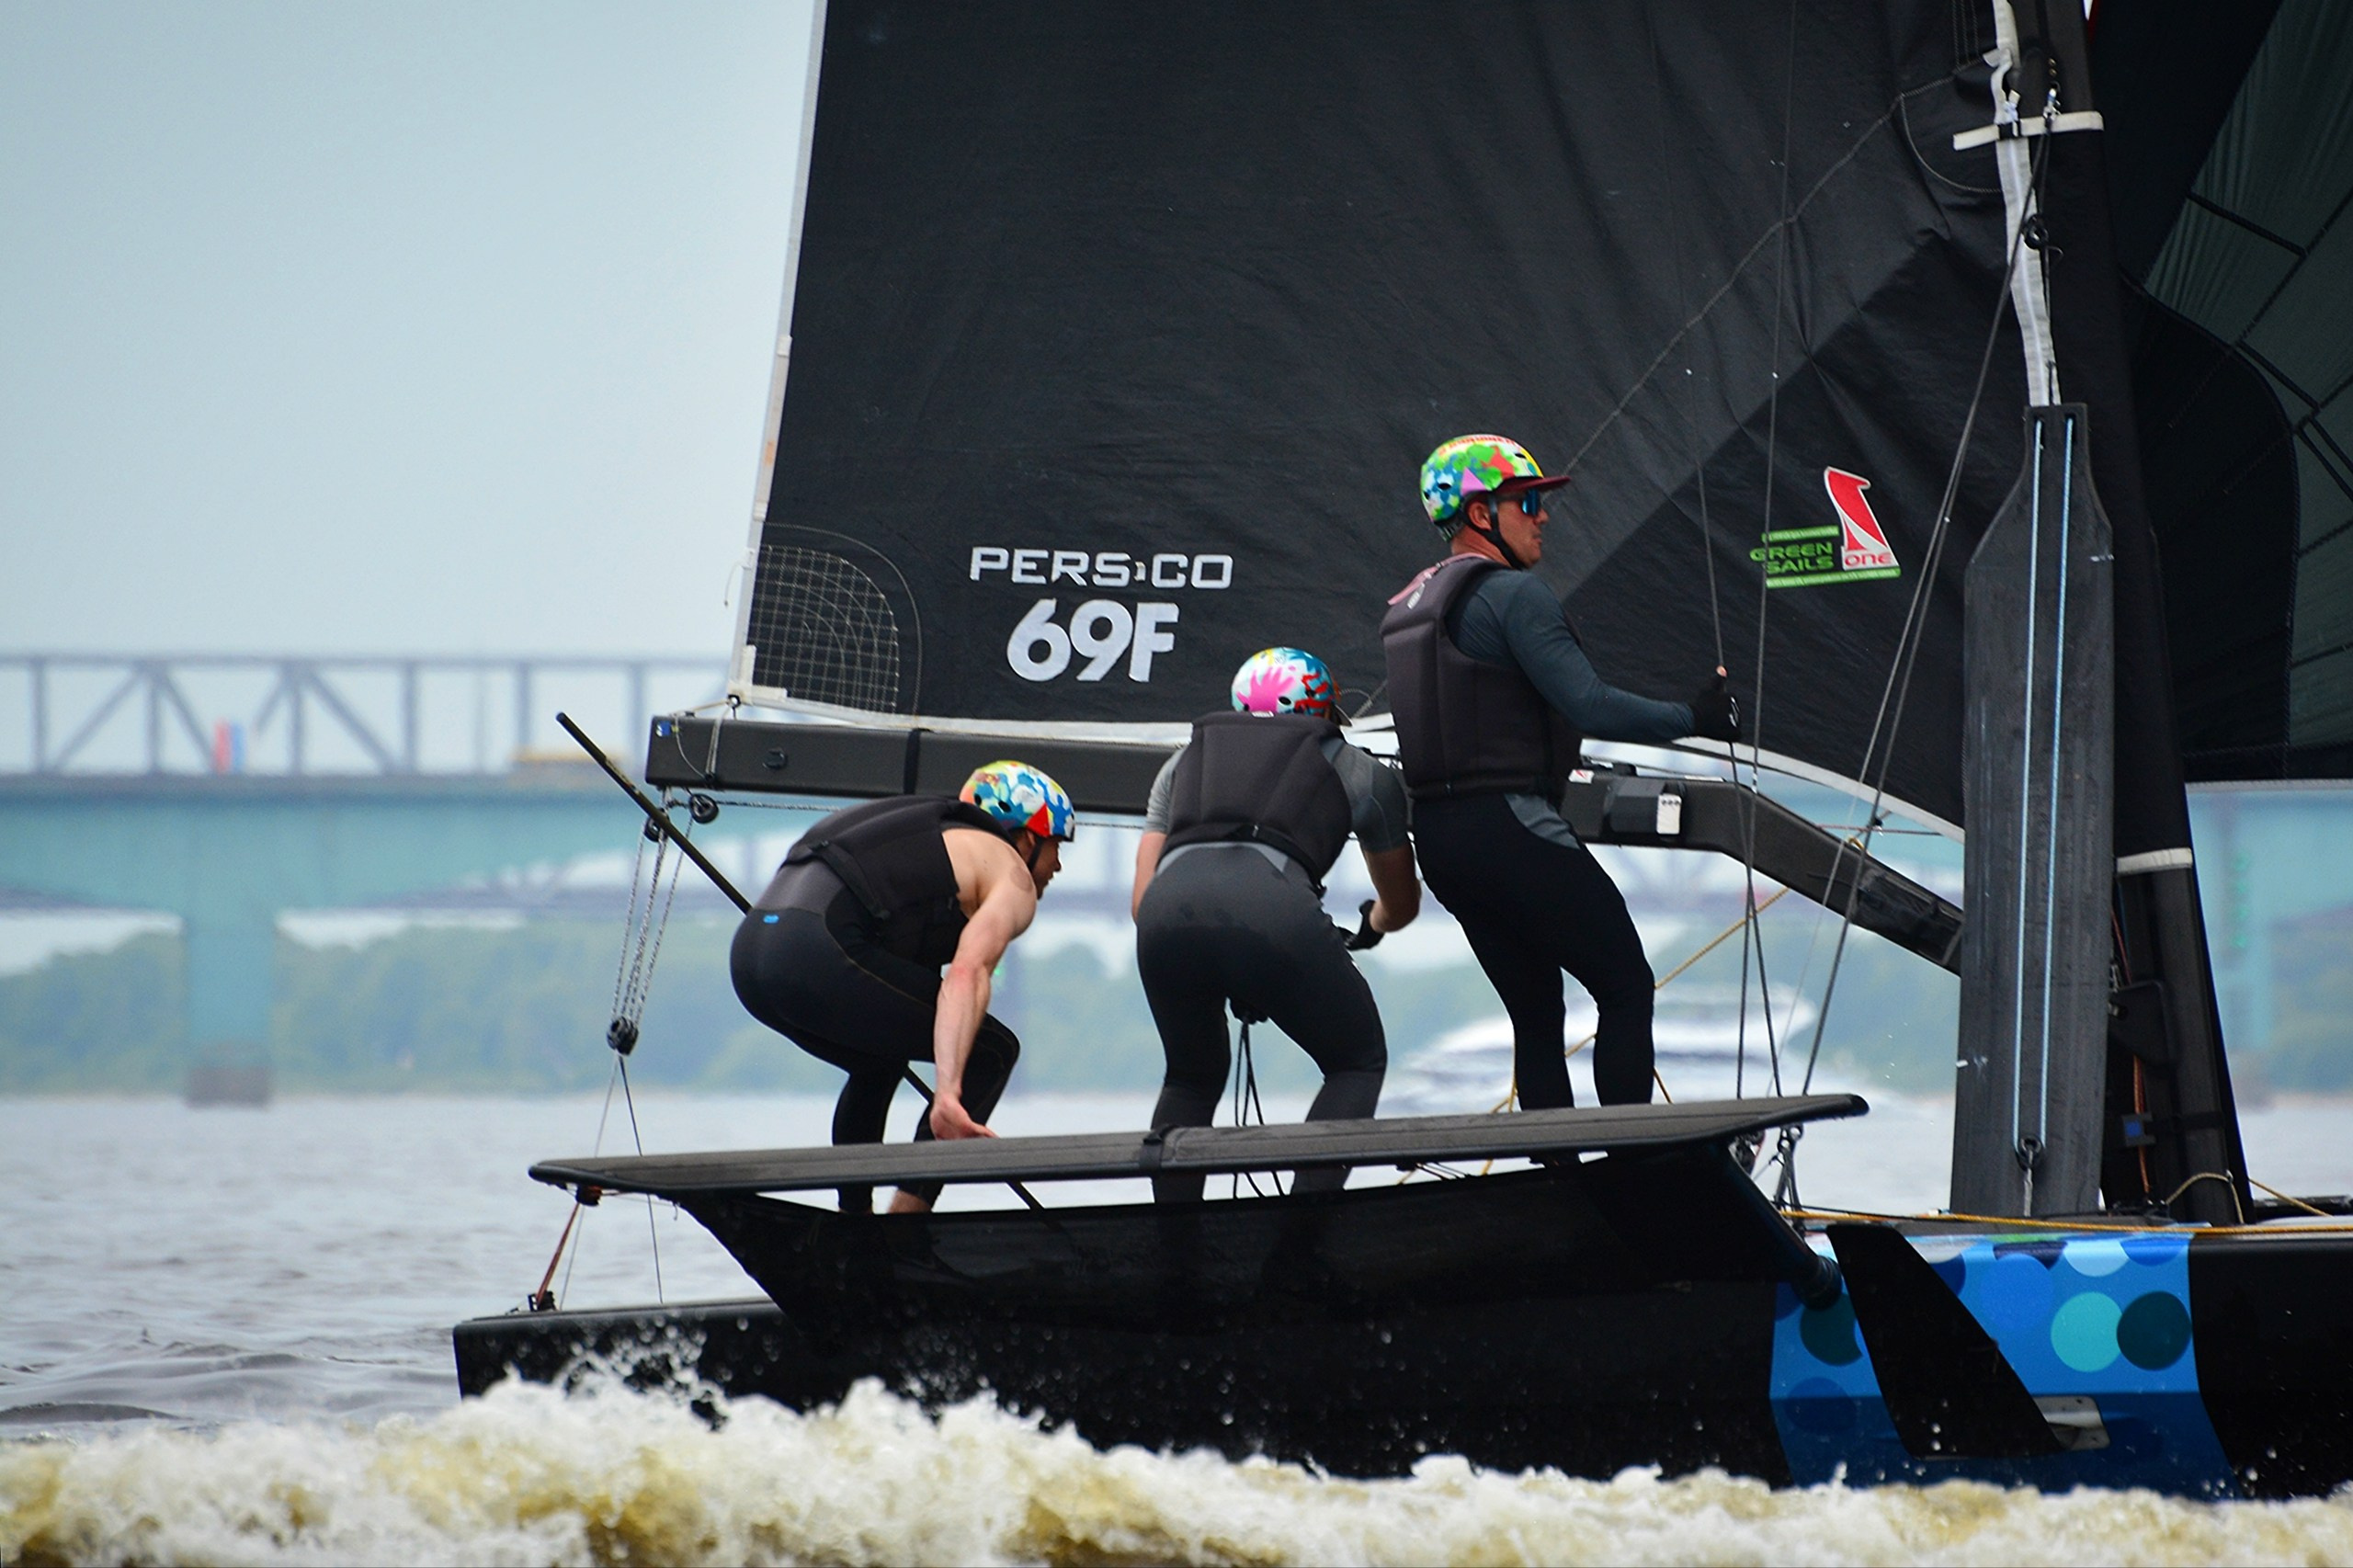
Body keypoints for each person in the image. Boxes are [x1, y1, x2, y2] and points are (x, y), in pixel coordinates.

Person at [1381, 434, 1740, 1111]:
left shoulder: (1409, 608)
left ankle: (1562, 1186)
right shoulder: (1514, 595)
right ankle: (1635, 1172)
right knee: (1626, 987)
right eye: (1530, 501)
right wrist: (1695, 716)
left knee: (1536, 1016)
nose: (1544, 515)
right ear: (1482, 514)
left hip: (1441, 840)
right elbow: (1589, 704)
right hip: (1510, 827)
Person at [1130, 647, 1422, 1200]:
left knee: (1190, 1078)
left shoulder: (1181, 762)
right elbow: (1401, 904)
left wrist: (1233, 965)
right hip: (1274, 915)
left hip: (1164, 920)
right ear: (1327, 710)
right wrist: (1370, 926)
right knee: (1356, 1063)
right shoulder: (1360, 770)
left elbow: (1142, 901)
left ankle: (1173, 1256)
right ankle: (1298, 1248)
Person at [729, 759, 1074, 1213]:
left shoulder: (930, 847)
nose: (1059, 866)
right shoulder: (1011, 874)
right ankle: (903, 1229)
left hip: (753, 956)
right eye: (1056, 846)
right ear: (1028, 837)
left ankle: (855, 1222)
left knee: (880, 1059)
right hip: (818, 948)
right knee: (992, 1052)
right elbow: (967, 976)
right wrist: (948, 1094)